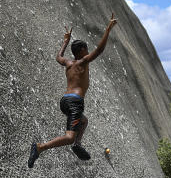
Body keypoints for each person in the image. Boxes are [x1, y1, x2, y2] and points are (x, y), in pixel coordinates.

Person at [28, 13, 118, 168]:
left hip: (65, 101)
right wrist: (108, 29)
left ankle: (78, 144)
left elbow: (58, 57)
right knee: (69, 137)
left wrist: (65, 41)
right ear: (82, 50)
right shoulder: (83, 61)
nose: (88, 51)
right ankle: (40, 147)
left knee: (83, 121)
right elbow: (100, 50)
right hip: (75, 101)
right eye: (86, 49)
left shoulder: (68, 63)